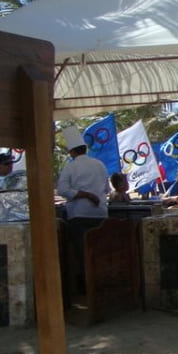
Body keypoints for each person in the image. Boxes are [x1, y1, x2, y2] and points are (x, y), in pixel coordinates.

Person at [56, 126, 110, 305]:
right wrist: (91, 194)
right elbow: (106, 189)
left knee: (82, 254)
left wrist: (84, 194)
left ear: (72, 151)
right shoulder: (100, 165)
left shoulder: (70, 168)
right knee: (100, 253)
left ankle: (87, 290)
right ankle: (101, 287)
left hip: (79, 215)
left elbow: (63, 190)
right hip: (100, 214)